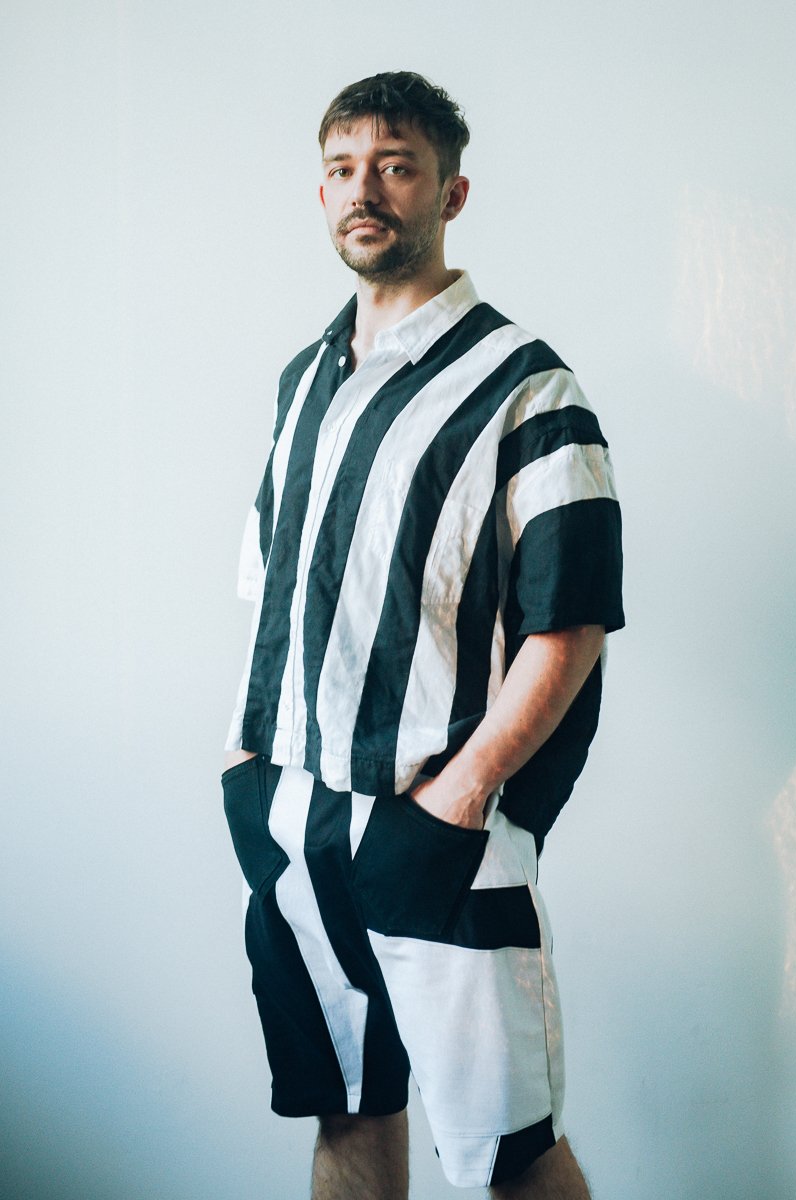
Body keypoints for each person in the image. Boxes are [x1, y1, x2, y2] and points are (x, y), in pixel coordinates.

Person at [221, 71, 624, 1200]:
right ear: (320, 192)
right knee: (347, 1108)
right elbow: (269, 586)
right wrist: (247, 763)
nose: (366, 190)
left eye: (395, 166)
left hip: (439, 827)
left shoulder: (528, 388)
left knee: (510, 1153)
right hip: (296, 820)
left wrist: (462, 794)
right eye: (344, 168)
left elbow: (570, 620)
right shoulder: (304, 380)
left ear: (451, 192)